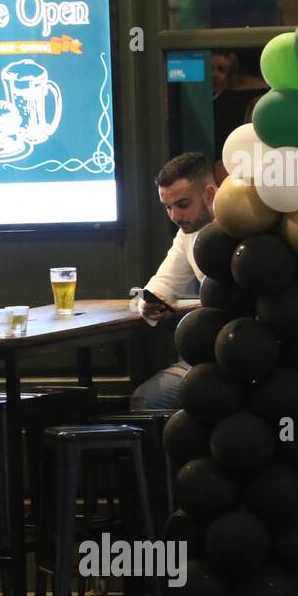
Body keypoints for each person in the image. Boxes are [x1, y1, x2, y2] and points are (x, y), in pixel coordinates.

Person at [131, 152, 216, 411]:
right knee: (143, 400)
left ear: (210, 194)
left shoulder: (243, 225)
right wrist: (150, 303)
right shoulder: (186, 235)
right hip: (208, 354)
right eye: (167, 207)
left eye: (182, 204)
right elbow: (162, 283)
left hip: (249, 354)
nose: (174, 217)